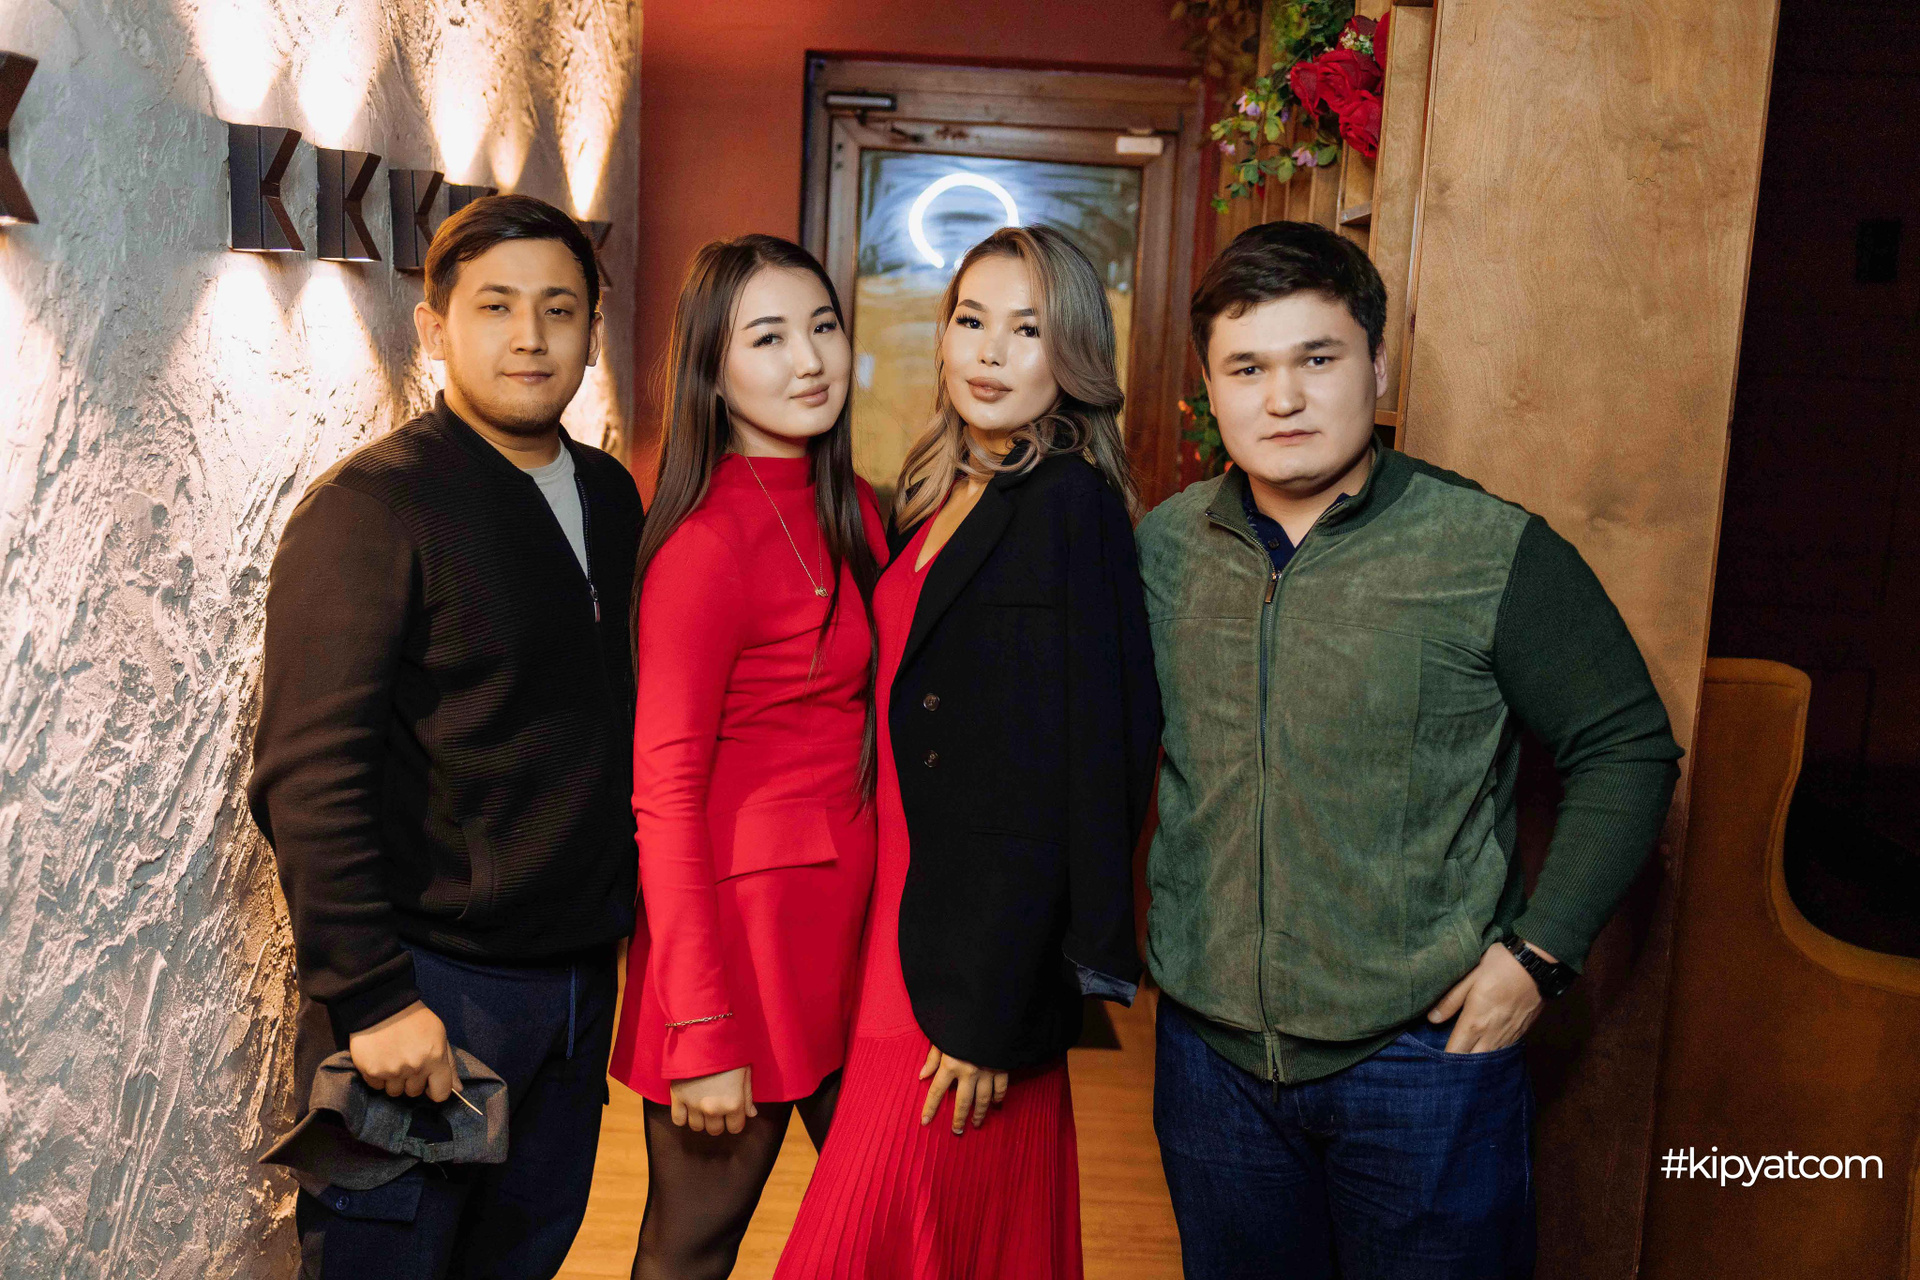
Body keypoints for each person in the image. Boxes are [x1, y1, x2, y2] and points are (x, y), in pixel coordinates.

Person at [1137, 219, 1685, 1279]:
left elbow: (1627, 747)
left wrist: (1540, 957)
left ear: (1378, 366)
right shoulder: (1164, 548)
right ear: (1207, 387)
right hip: (1212, 1063)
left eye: (1318, 358)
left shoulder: (1487, 547)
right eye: (1247, 368)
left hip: (1423, 1060)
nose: (1282, 398)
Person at [248, 194, 643, 1279]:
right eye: (496, 306)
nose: (531, 336)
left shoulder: (610, 495)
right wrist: (372, 996)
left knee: (523, 1261)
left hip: (574, 987)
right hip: (431, 988)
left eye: (559, 309)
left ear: (591, 332)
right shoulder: (373, 507)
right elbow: (307, 777)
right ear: (434, 329)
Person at [775, 224, 1161, 1280]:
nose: (990, 351)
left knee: (863, 1243)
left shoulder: (1071, 505)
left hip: (967, 973)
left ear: (1072, 353)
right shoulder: (941, 490)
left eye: (1027, 329)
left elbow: (1082, 772)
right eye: (971, 319)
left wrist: (996, 1011)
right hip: (901, 927)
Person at [606, 234, 886, 1280]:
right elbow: (666, 795)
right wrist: (702, 1027)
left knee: (897, 1228)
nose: (809, 360)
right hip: (743, 947)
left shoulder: (855, 505)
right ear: (713, 374)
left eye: (823, 326)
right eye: (767, 337)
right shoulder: (706, 543)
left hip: (854, 934)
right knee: (690, 1251)